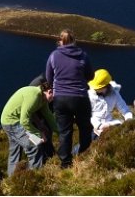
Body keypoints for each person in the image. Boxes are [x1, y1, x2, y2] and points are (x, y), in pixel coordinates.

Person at [44, 29, 95, 167]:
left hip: (60, 99)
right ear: (74, 40)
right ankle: (84, 156)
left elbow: (49, 78)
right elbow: (91, 76)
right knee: (85, 128)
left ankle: (65, 163)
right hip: (80, 97)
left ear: (60, 41)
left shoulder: (54, 55)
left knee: (65, 131)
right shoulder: (83, 55)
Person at [0, 81, 57, 176]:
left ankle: (12, 179)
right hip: (13, 123)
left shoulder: (42, 98)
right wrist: (39, 134)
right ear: (49, 91)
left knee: (15, 151)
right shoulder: (34, 97)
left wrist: (60, 132)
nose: (55, 98)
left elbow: (48, 116)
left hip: (8, 121)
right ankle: (34, 176)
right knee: (34, 146)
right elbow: (24, 121)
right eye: (54, 95)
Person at [87, 69, 134, 136]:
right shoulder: (89, 96)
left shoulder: (114, 94)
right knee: (88, 141)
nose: (95, 89)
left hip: (110, 124)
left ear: (105, 86)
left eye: (98, 88)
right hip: (93, 127)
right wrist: (98, 125)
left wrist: (129, 119)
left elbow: (125, 110)